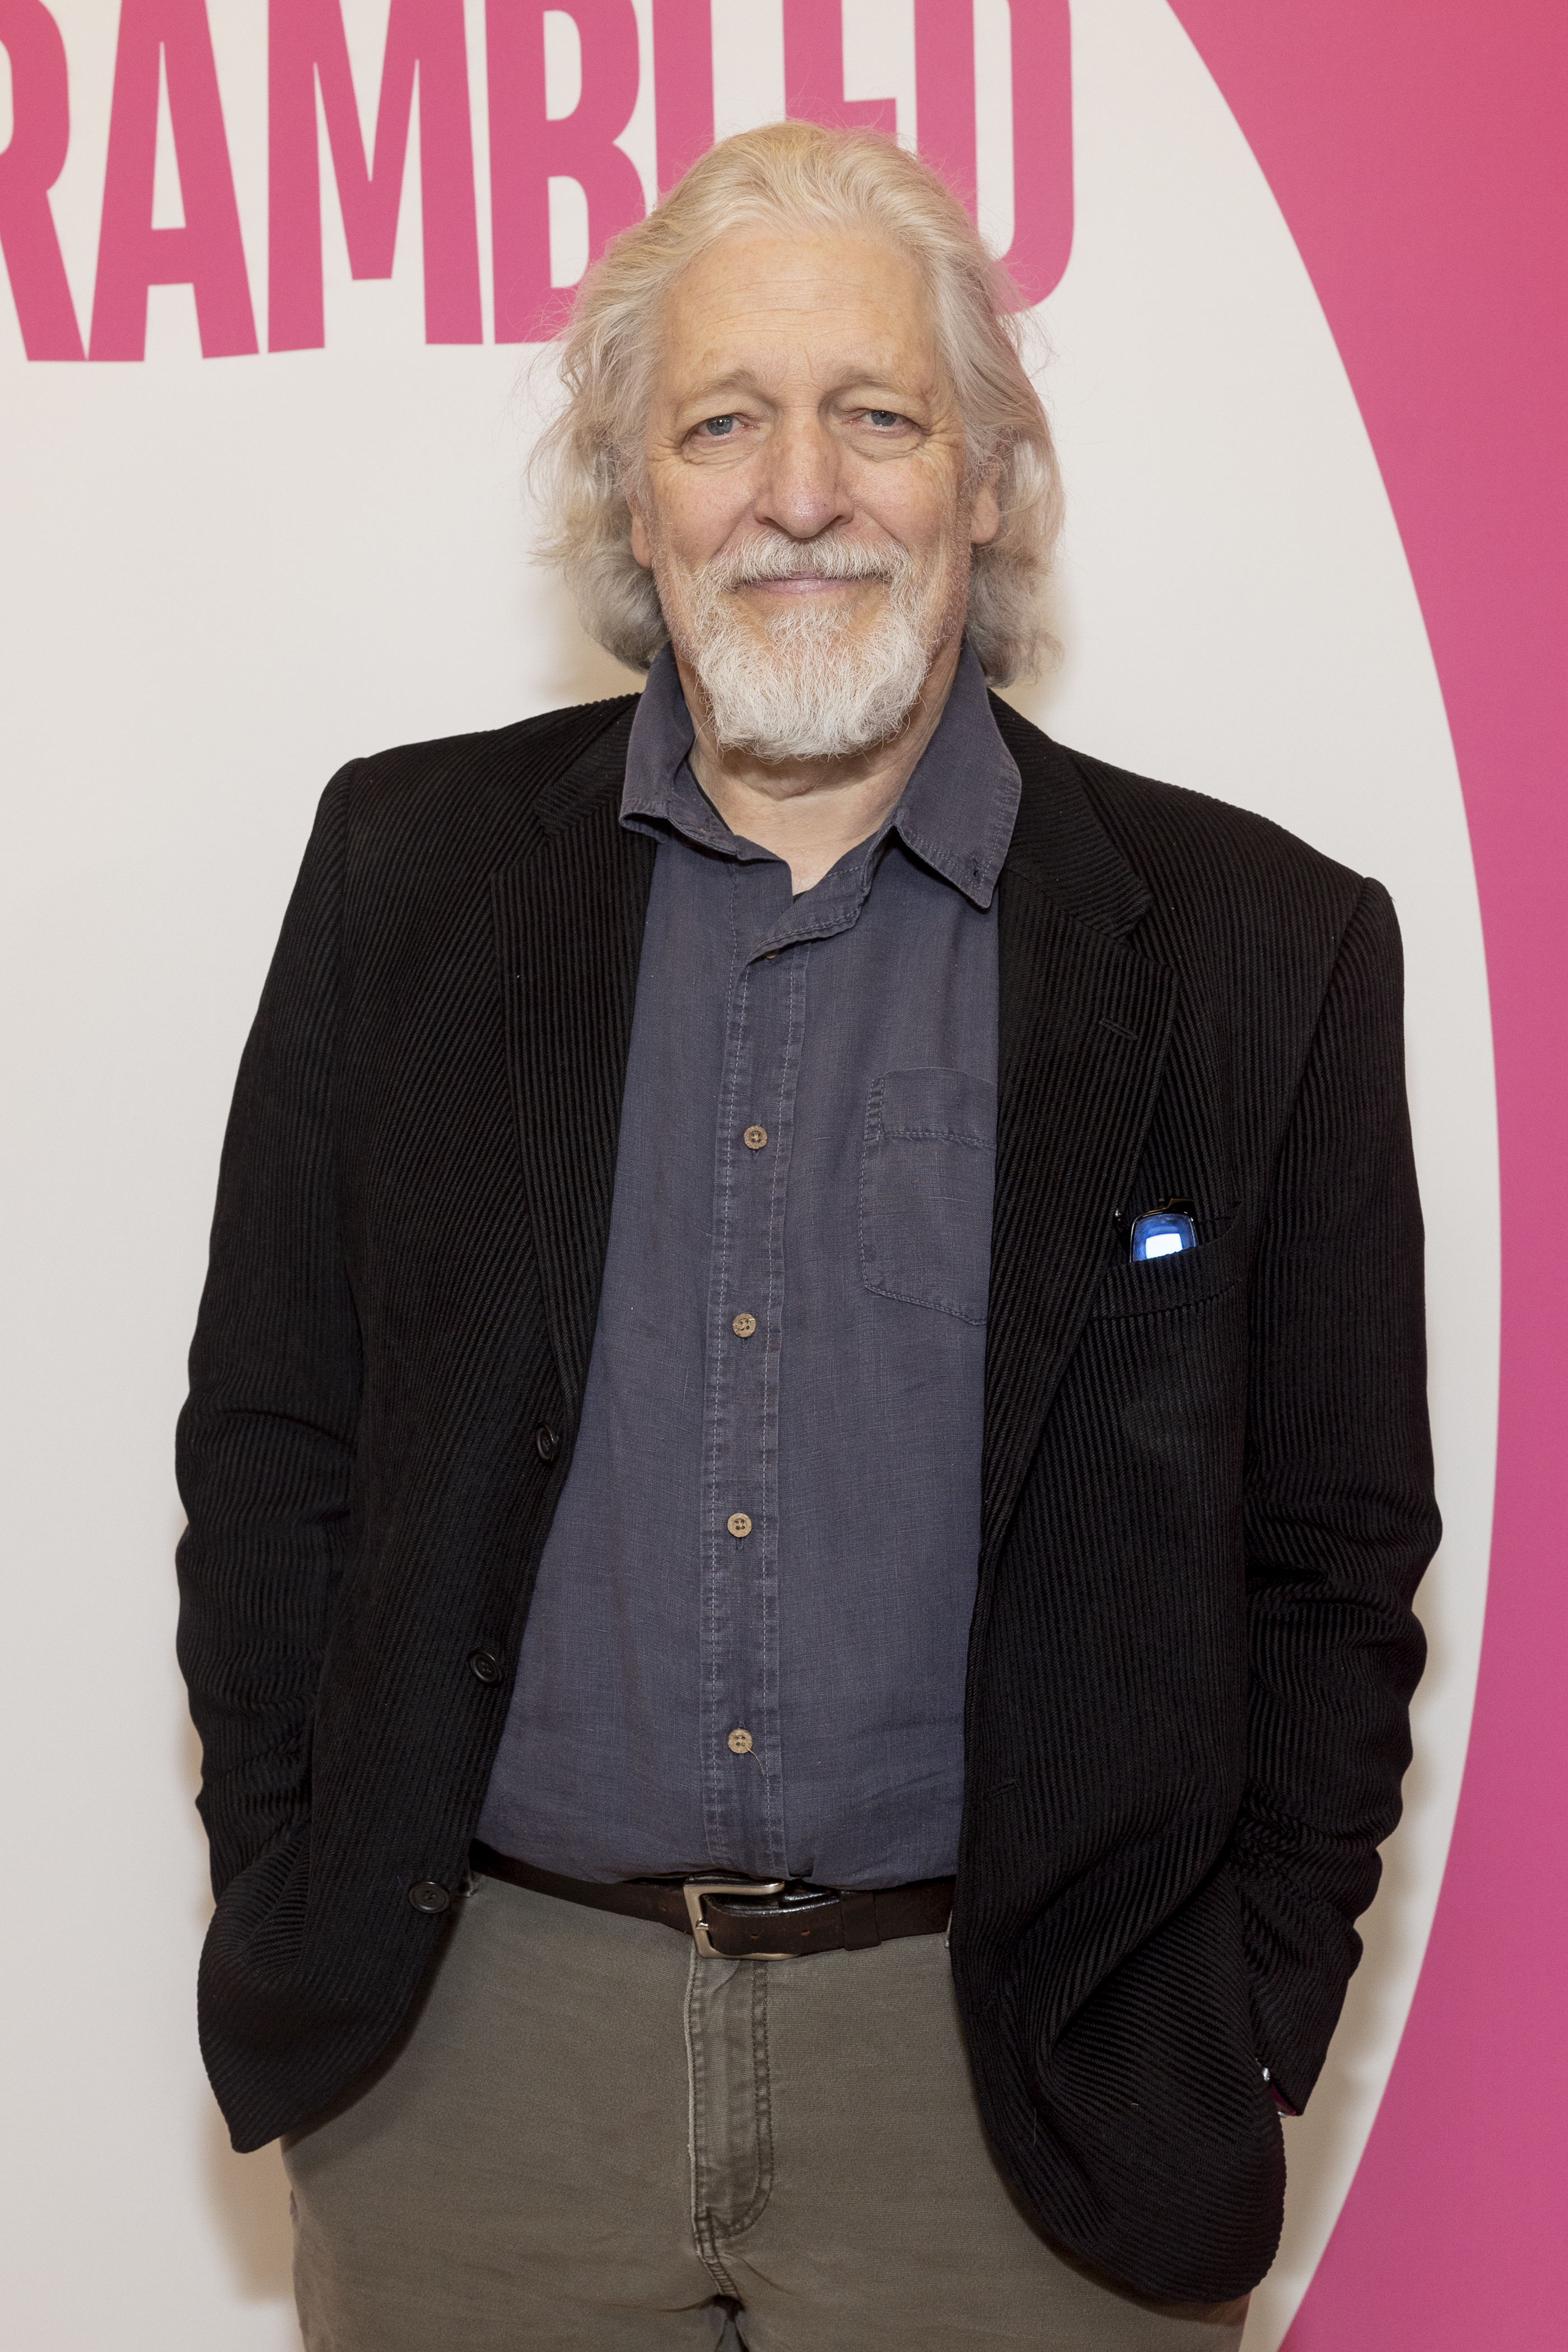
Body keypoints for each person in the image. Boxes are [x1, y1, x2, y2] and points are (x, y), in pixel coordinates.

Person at [176, 122, 1439, 2350]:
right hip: (482, 2069)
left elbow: (1330, 1550)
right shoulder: (403, 877)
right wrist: (297, 1893)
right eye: (721, 422)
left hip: (1025, 2094)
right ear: (635, 496)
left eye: (876, 413)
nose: (799, 488)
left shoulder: (1263, 954)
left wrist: (1242, 2010)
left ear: (984, 483)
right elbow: (277, 1450)